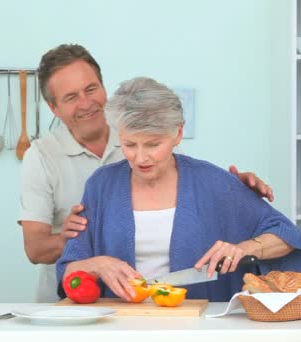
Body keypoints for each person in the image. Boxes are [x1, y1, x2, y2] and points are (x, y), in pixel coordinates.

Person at [19, 43, 274, 303]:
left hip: (193, 313)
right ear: (54, 108)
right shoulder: (55, 163)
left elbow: (194, 183)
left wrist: (237, 193)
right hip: (89, 306)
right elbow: (44, 253)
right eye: (71, 97)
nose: (141, 157)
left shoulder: (156, 137)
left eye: (91, 89)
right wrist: (80, 245)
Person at [55, 77, 301, 302]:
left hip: (200, 324)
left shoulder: (214, 182)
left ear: (178, 133)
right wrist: (98, 264)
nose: (141, 157)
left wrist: (245, 248)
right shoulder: (101, 185)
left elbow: (287, 235)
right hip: (122, 324)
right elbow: (69, 270)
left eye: (153, 144)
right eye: (129, 144)